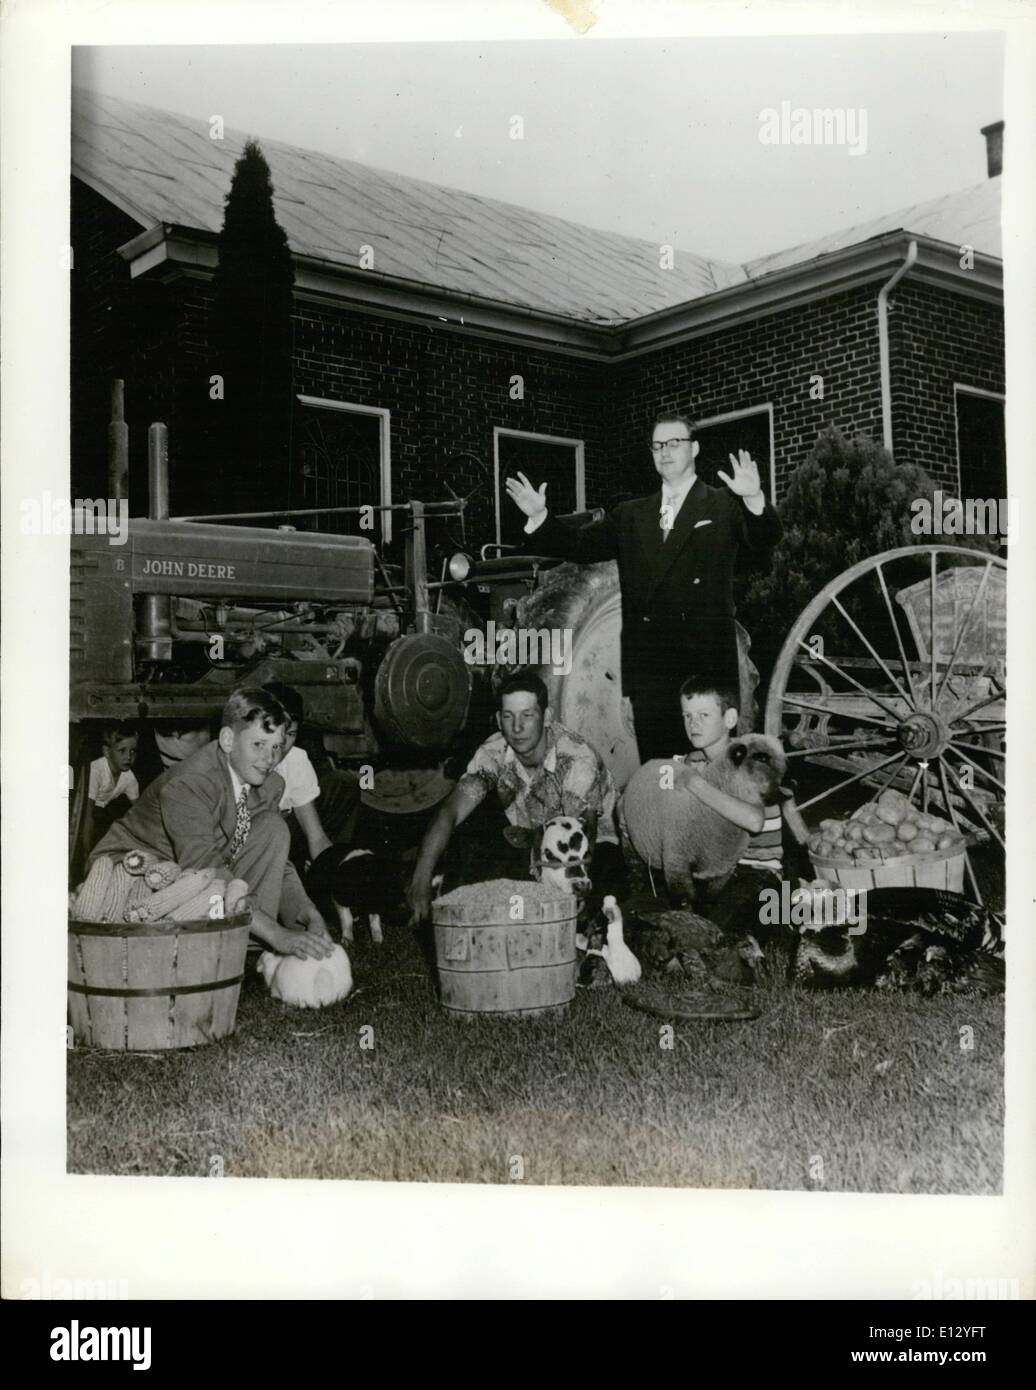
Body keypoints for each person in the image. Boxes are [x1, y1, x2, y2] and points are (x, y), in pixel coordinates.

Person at [505, 413, 782, 761]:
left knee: (711, 776)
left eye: (674, 443)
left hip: (707, 672)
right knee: (661, 779)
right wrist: (541, 518)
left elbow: (766, 536)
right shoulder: (631, 515)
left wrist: (755, 497)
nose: (665, 452)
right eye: (658, 445)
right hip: (651, 676)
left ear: (694, 448)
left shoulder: (724, 504)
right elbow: (579, 546)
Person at [89, 687, 333, 960]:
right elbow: (205, 870)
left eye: (276, 746)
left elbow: (278, 863)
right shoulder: (190, 783)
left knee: (273, 827)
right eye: (258, 745)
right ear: (228, 739)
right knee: (209, 884)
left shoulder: (270, 784)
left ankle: (243, 947)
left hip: (189, 879)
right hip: (129, 874)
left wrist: (305, 913)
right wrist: (277, 934)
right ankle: (214, 948)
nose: (270, 758)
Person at [405, 672, 624, 924]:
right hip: (535, 842)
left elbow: (584, 841)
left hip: (593, 846)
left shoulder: (575, 758)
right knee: (476, 855)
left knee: (602, 903)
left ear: (547, 717)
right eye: (509, 716)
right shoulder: (494, 752)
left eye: (527, 715)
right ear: (499, 719)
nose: (517, 727)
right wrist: (420, 880)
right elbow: (449, 813)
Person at [668, 675, 808, 936]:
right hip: (720, 873)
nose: (693, 723)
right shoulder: (694, 761)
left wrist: (696, 785)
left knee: (713, 937)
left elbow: (754, 821)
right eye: (687, 716)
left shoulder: (748, 757)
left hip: (758, 874)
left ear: (730, 719)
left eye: (704, 715)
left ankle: (786, 920)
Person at [261, 682, 361, 866]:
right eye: (273, 733)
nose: (282, 744)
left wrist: (338, 868)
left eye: (291, 734)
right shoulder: (239, 761)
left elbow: (317, 838)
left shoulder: (295, 759)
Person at [85, 721, 140, 850]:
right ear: (107, 752)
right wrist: (86, 853)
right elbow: (87, 817)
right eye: (122, 750)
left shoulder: (129, 777)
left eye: (133, 751)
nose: (128, 756)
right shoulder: (95, 771)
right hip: (83, 814)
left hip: (102, 813)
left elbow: (140, 810)